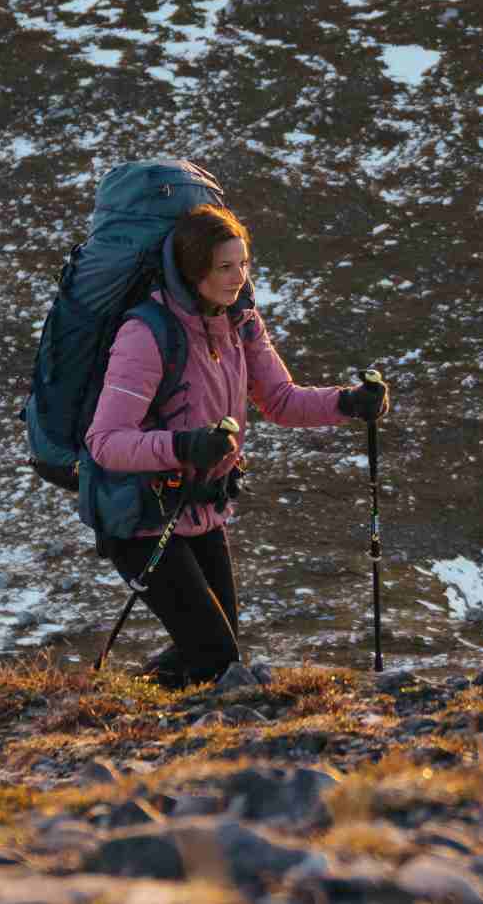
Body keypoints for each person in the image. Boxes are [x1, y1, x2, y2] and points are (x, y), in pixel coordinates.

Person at [86, 202, 389, 686]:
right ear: (192, 270)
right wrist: (184, 446)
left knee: (213, 653)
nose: (238, 277)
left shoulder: (240, 321)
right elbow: (105, 442)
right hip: (141, 518)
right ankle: (149, 725)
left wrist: (349, 403)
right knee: (216, 658)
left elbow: (281, 401)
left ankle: (131, 700)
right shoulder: (145, 333)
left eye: (243, 264)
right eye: (224, 267)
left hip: (203, 509)